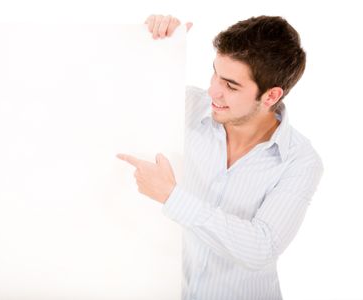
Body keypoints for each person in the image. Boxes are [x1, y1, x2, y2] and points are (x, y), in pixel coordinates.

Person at [117, 14, 323, 300]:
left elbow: (260, 248)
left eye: (231, 85)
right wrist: (156, 50)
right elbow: (113, 94)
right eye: (215, 73)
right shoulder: (186, 105)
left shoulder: (300, 161)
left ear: (271, 96)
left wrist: (172, 196)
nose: (214, 90)